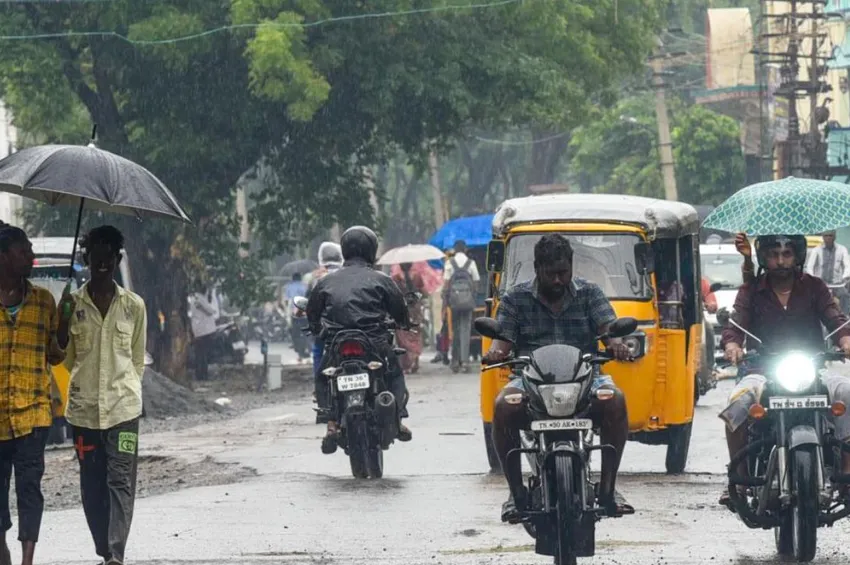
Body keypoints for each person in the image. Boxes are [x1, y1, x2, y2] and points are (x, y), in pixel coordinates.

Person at [483, 234, 634, 521]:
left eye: (563, 273)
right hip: (529, 381)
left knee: (615, 400)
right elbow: (501, 343)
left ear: (571, 267)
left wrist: (617, 345)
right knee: (503, 406)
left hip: (587, 379)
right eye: (550, 273)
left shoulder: (590, 294)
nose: (557, 280)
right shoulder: (515, 298)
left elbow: (609, 330)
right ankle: (516, 494)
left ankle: (608, 489)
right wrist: (495, 353)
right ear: (537, 268)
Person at [719, 234, 850, 506]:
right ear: (763, 257)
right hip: (762, 371)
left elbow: (835, 318)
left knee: (847, 392)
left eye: (787, 253)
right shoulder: (751, 290)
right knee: (736, 404)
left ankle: (847, 474)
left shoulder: (815, 287)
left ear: (798, 256)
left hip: (812, 370)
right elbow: (736, 325)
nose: (780, 261)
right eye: (773, 254)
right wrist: (732, 345)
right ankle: (739, 480)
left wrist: (845, 339)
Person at [56, 226, 147, 565]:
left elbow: (137, 359)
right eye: (97, 259)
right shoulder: (73, 304)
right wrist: (62, 320)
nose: (103, 265)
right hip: (84, 413)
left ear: (117, 259)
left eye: (109, 258)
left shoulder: (134, 306)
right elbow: (64, 358)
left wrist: (127, 389)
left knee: (120, 481)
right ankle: (103, 549)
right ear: (87, 260)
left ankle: (115, 554)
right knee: (92, 487)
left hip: (124, 411)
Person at [306, 226, 413, 454]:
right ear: (371, 250)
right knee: (394, 372)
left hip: (337, 345)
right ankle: (398, 418)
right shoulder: (382, 279)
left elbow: (312, 314)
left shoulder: (325, 281)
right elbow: (400, 312)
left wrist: (317, 329)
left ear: (345, 250)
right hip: (375, 343)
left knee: (323, 377)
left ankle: (330, 423)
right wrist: (403, 323)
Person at [0, 226, 65, 565]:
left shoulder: (44, 301)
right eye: (23, 251)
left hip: (33, 414)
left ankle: (27, 560)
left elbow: (55, 355)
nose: (31, 256)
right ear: (3, 257)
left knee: (29, 490)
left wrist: (64, 328)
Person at [307, 241, 343, 400]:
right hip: (348, 322)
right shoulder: (347, 273)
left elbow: (311, 304)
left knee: (317, 352)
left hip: (325, 326)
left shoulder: (317, 277)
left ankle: (318, 387)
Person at [443, 240, 480, 373]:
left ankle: (455, 361)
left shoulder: (449, 263)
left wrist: (446, 299)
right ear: (465, 249)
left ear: (454, 250)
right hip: (468, 302)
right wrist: (472, 296)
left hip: (454, 302)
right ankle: (465, 362)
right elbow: (476, 281)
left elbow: (446, 283)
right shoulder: (471, 263)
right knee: (466, 330)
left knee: (456, 330)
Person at [391, 263, 426, 373]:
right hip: (415, 311)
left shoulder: (396, 278)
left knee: (403, 338)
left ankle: (406, 366)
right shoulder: (417, 276)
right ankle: (415, 361)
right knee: (415, 335)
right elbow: (424, 292)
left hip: (401, 311)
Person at [806, 230, 850, 313]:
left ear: (835, 237)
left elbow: (847, 266)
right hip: (821, 284)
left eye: (830, 235)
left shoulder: (842, 249)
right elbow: (810, 267)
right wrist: (813, 279)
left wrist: (845, 277)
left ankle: (844, 316)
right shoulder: (816, 250)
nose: (828, 238)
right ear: (822, 237)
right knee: (811, 297)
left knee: (845, 296)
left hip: (837, 284)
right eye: (826, 236)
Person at [188, 286, 219, 380]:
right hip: (204, 330)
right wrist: (213, 295)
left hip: (198, 329)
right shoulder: (200, 298)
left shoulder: (194, 297)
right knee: (203, 354)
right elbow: (211, 310)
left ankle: (200, 375)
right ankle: (202, 375)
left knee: (200, 354)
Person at [283, 272, 309, 362]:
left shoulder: (289, 287)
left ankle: (298, 350)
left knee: (295, 332)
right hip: (303, 313)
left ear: (292, 278)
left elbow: (286, 301)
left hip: (293, 314)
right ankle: (304, 349)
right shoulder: (304, 287)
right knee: (305, 332)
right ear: (300, 278)